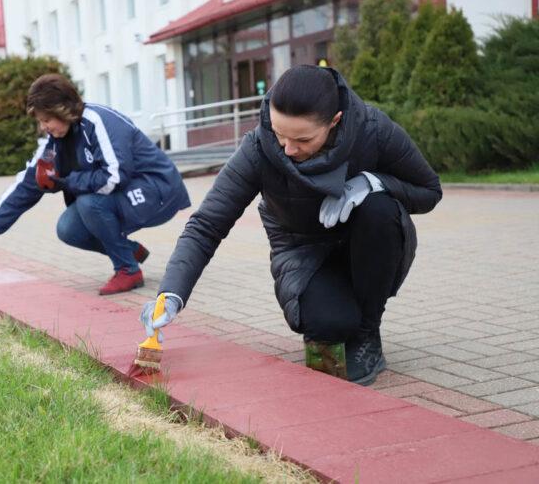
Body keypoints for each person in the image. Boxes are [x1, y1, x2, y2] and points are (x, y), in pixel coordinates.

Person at [141, 65, 442, 386]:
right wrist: (172, 294)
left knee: (379, 208)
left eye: (302, 139)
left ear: (335, 121)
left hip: (368, 243)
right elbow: (207, 225)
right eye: (279, 133)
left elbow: (429, 191)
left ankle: (368, 333)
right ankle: (337, 316)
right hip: (303, 250)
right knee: (327, 325)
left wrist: (372, 182)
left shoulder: (373, 130)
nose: (287, 148)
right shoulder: (258, 147)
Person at [0, 73, 191, 295]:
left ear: (63, 110)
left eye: (46, 120)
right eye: (40, 121)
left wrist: (70, 182)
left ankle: (127, 269)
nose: (43, 127)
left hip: (158, 189)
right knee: (68, 229)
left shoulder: (98, 121)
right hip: (128, 193)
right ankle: (128, 251)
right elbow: (28, 183)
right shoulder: (54, 143)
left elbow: (115, 176)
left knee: (89, 203)